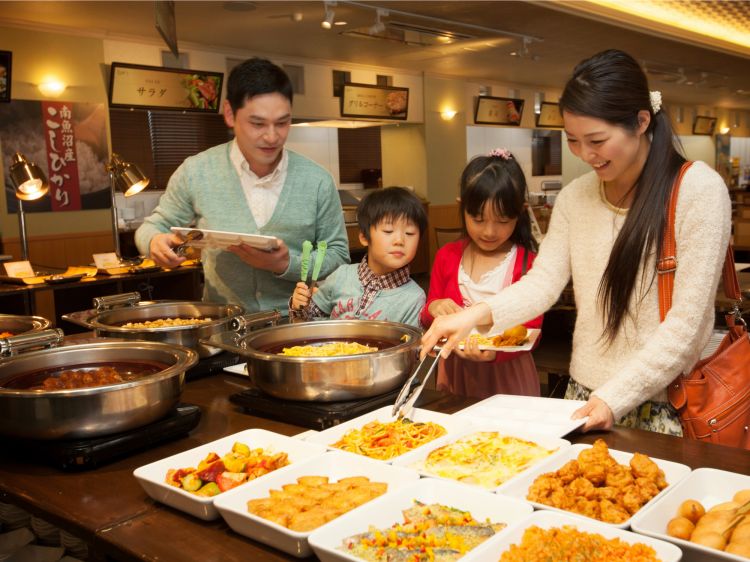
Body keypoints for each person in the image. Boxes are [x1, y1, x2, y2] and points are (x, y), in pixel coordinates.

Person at [421, 49, 731, 435]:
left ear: (641, 121)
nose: (585, 155)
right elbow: (541, 284)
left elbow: (686, 325)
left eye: (597, 140)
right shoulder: (576, 196)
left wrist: (615, 397)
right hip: (583, 397)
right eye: (572, 141)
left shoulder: (696, 190)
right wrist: (472, 316)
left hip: (666, 405)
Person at [135, 57, 349, 314]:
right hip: (223, 326)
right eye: (257, 124)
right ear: (229, 114)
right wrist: (155, 242)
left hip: (297, 325)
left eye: (282, 123)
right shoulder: (196, 171)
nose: (272, 136)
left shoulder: (317, 180)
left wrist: (286, 264)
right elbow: (151, 227)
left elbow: (338, 256)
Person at [420, 149, 542, 398]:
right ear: (461, 208)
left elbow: (532, 329)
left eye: (502, 221)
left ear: (520, 213)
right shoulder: (447, 256)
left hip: (508, 377)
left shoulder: (528, 263)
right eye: (478, 219)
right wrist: (433, 308)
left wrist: (496, 353)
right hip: (455, 371)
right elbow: (428, 314)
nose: (489, 231)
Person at [290, 186, 427, 327]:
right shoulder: (341, 276)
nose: (399, 240)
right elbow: (308, 323)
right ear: (364, 237)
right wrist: (300, 306)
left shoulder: (415, 298)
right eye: (388, 231)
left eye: (409, 233)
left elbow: (409, 345)